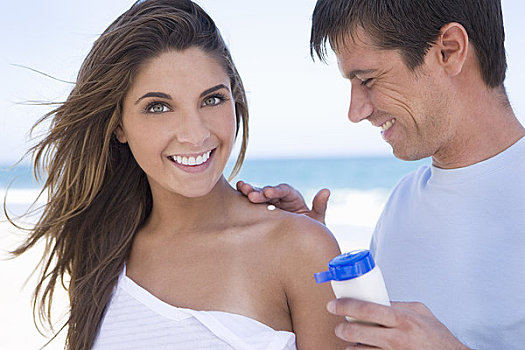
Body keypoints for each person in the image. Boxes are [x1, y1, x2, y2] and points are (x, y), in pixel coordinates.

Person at [7, 1, 349, 349]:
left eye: (212, 99)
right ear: (119, 125)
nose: (195, 134)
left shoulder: (300, 248)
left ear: (235, 99)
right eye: (159, 107)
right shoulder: (105, 250)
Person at [237, 0, 525, 349]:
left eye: (368, 79)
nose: (355, 111)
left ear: (449, 51)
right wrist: (309, 246)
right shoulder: (402, 201)